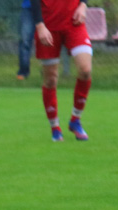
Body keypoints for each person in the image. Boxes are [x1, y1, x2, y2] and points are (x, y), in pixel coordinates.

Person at [31, 0, 92, 141]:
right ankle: (55, 128)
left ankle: (75, 120)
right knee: (51, 79)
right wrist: (40, 26)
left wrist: (83, 5)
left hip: (74, 23)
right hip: (49, 26)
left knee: (85, 70)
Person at [17, 0, 34, 80]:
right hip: (29, 8)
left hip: (48, 8)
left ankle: (48, 71)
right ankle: (23, 72)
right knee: (25, 40)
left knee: (50, 40)